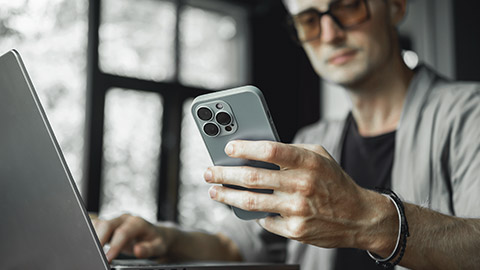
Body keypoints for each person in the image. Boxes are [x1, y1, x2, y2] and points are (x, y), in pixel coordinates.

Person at [92, 0, 480, 269]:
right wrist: (164, 239)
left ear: (395, 6)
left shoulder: (469, 112)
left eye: (348, 6)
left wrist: (367, 217)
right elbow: (237, 246)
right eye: (310, 19)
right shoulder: (313, 138)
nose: (329, 32)